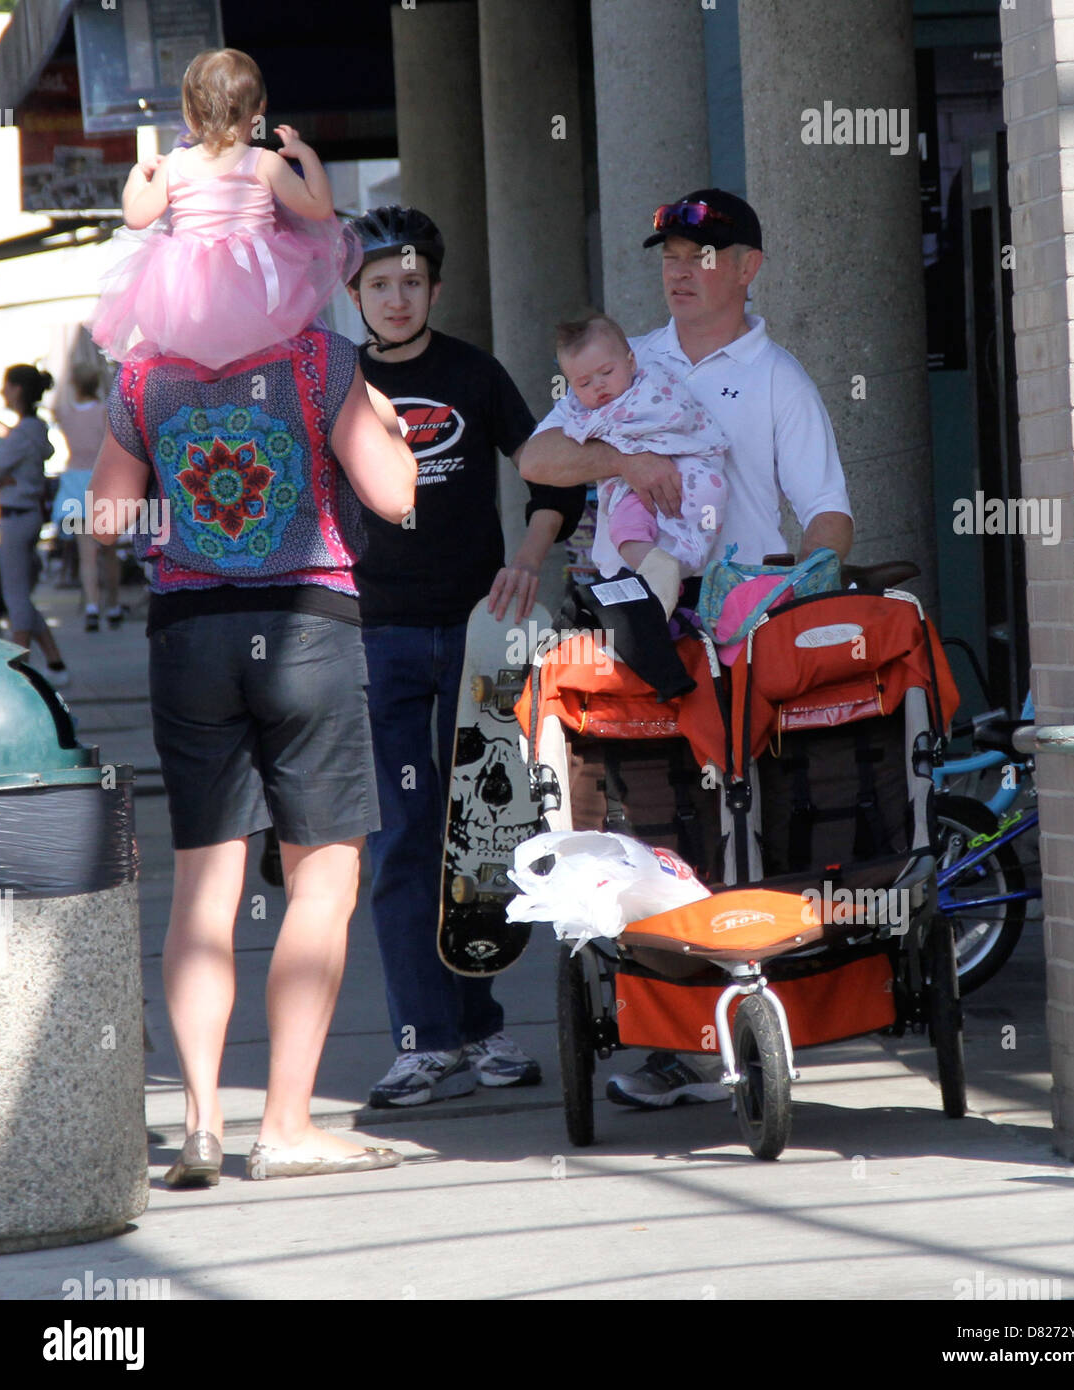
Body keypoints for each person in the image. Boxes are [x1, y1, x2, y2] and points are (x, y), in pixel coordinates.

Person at [522, 188, 854, 1110]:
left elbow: (828, 507)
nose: (678, 270)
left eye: (702, 255)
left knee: (752, 815)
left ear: (747, 268)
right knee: (657, 821)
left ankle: (750, 1023)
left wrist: (815, 573)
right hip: (645, 626)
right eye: (668, 254)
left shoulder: (778, 376)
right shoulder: (625, 361)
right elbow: (540, 461)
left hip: (744, 626)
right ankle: (671, 1029)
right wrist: (623, 464)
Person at [90, 325, 417, 1182]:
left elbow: (105, 518)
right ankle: (285, 1124)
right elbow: (391, 495)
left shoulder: (144, 373)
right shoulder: (320, 358)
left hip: (190, 635)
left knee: (204, 884)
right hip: (308, 623)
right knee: (324, 874)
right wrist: (382, 421)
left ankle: (200, 1120)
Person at [346, 206, 586, 1107]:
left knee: (485, 835)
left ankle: (482, 1029)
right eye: (379, 285)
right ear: (355, 295)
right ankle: (422, 1040)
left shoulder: (473, 373)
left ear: (435, 288)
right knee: (404, 841)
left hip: (483, 633)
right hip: (377, 636)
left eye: (412, 282)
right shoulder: (334, 380)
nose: (397, 298)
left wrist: (528, 556)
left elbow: (552, 468)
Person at [91, 48, 358, 371]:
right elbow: (319, 207)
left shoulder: (174, 164)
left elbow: (135, 217)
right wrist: (305, 154)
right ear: (260, 108)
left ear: (190, 112)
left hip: (188, 294)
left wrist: (137, 175)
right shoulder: (264, 162)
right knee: (267, 356)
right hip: (254, 283)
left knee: (196, 364)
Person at [554, 310, 728, 590]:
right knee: (624, 529)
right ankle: (657, 573)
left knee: (709, 493)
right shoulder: (582, 413)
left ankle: (681, 562)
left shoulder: (655, 385)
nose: (598, 385)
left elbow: (679, 414)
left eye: (607, 372)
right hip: (631, 492)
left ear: (631, 362)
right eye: (584, 383)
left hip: (689, 466)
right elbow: (566, 441)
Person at [0, 365, 68, 682]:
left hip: (15, 516)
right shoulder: (34, 430)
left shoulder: (21, 434)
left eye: (6, 386)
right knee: (19, 592)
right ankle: (55, 664)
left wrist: (3, 478)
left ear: (18, 390)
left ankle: (16, 672)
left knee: (15, 597)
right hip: (27, 516)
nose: (1, 393)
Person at [52, 360, 123, 631]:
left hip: (75, 482)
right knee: (109, 551)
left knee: (86, 554)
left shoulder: (64, 413)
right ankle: (113, 605)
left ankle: (92, 607)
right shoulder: (105, 412)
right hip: (103, 479)